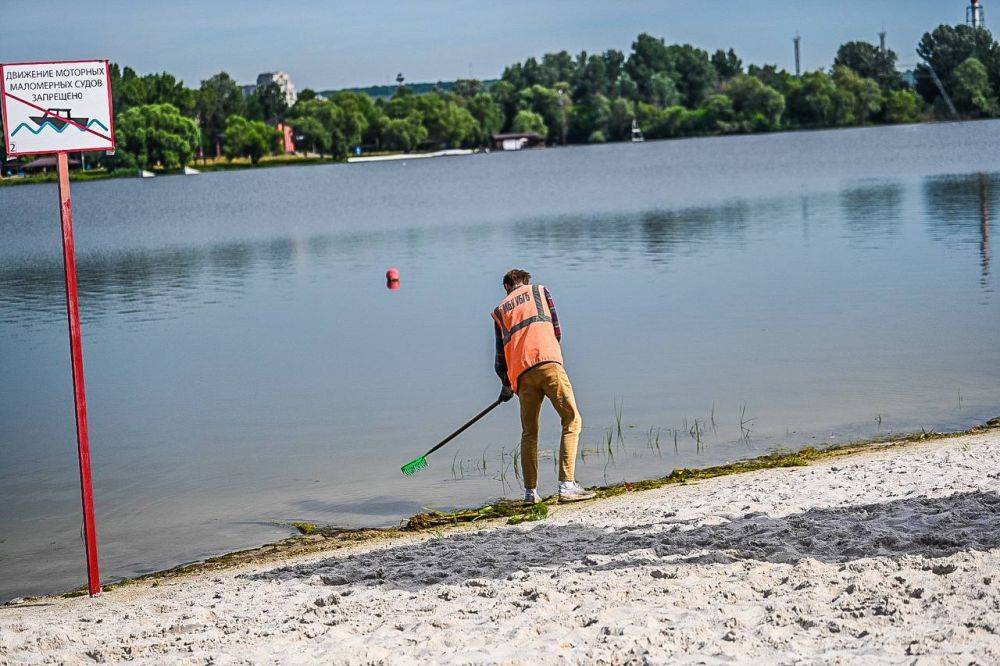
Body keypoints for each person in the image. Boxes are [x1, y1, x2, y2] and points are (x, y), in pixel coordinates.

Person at [492, 269, 595, 503]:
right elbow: (556, 330)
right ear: (526, 282)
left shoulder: (500, 311)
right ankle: (567, 485)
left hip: (522, 375)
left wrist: (506, 385)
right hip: (548, 363)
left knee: (530, 433)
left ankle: (531, 493)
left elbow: (500, 356)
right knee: (571, 419)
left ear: (506, 286)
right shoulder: (540, 291)